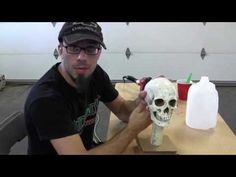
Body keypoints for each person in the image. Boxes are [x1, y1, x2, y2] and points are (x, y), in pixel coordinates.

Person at [24, 22, 151, 155]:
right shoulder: (46, 100)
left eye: (90, 49)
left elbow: (121, 110)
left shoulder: (94, 74)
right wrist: (131, 130)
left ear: (99, 52)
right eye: (73, 48)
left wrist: (141, 103)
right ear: (60, 50)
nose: (82, 57)